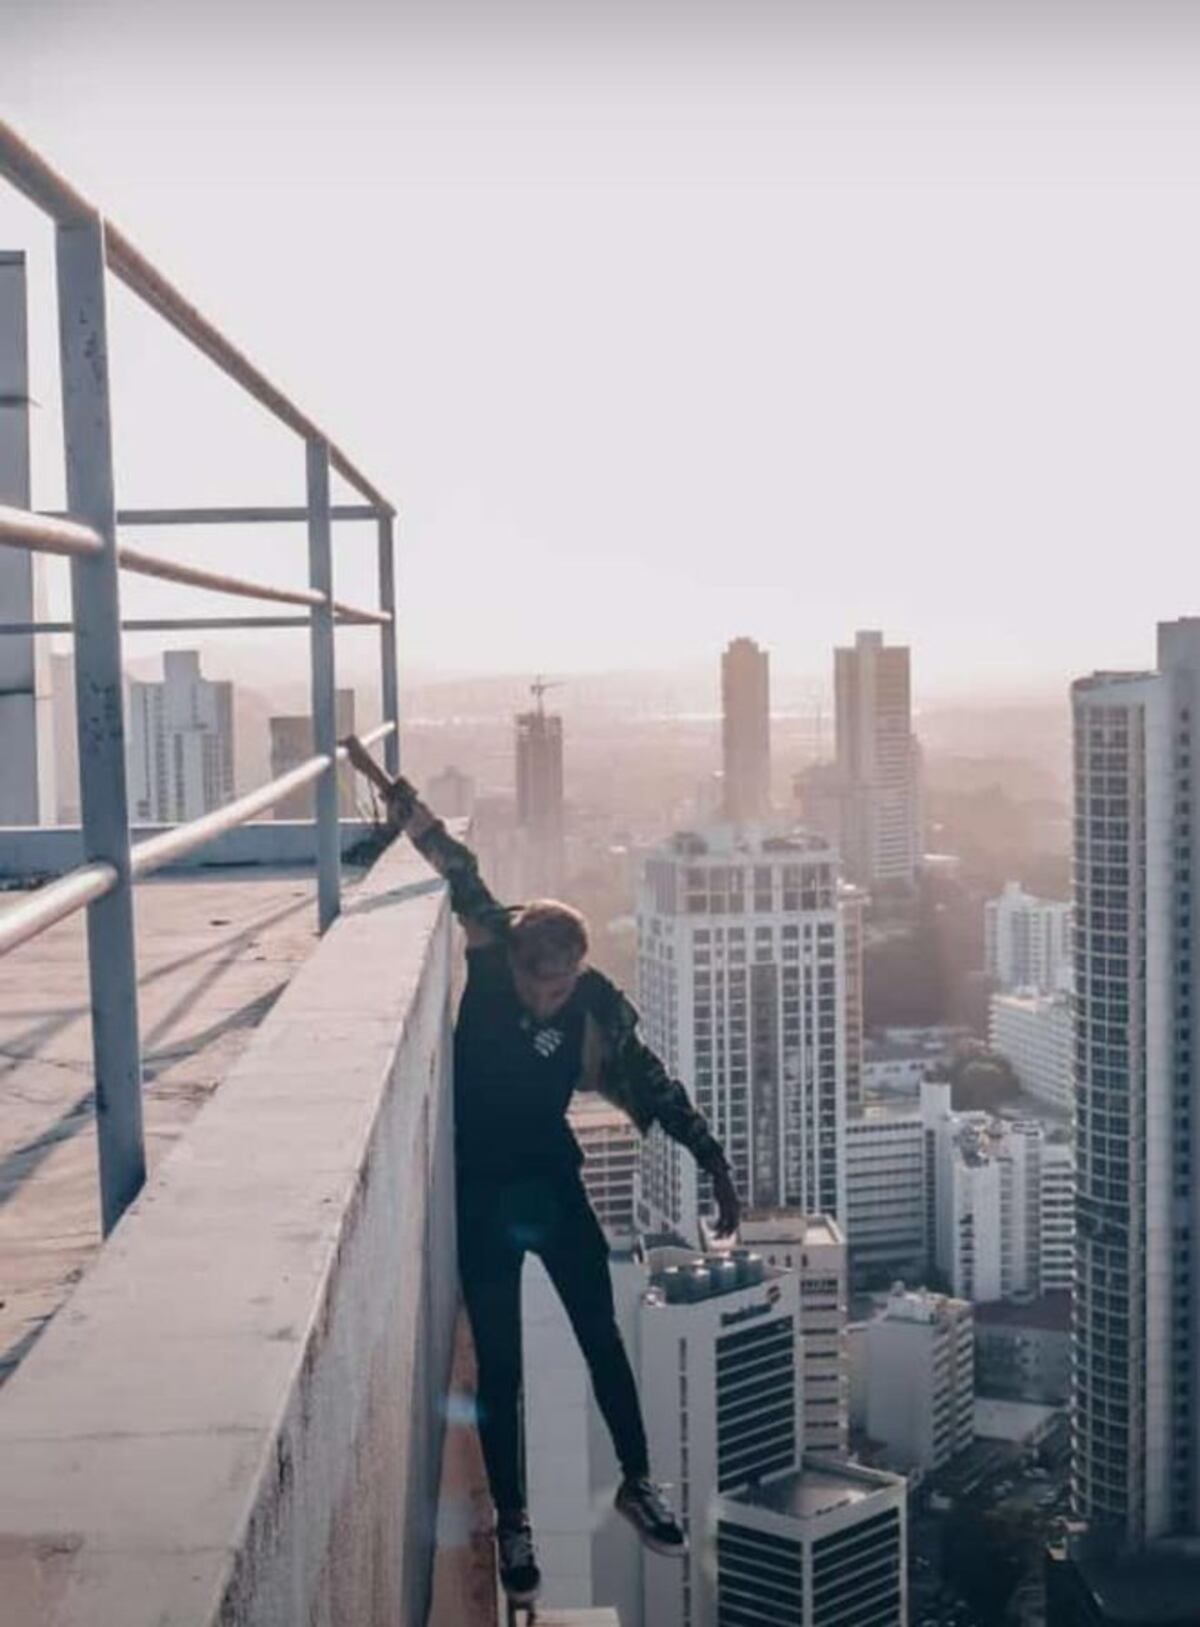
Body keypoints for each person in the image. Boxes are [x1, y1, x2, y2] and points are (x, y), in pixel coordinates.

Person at [344, 738, 741, 1609]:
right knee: (505, 1365)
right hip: (482, 1191)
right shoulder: (491, 956)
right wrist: (393, 795)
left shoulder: (594, 1003)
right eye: (539, 983)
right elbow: (455, 859)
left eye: (562, 987)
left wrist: (712, 1160)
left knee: (601, 1332)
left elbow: (651, 1081)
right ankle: (514, 1520)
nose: (548, 998)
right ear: (517, 962)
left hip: (550, 1184)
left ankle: (638, 1480)